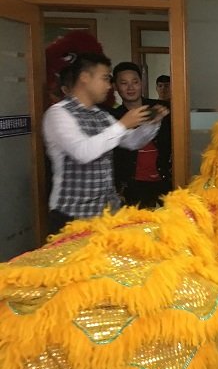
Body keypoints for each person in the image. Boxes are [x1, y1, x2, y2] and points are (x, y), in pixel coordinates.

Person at [43, 53, 168, 235]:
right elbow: (82, 152)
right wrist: (123, 124)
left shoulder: (100, 115)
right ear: (85, 78)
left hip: (107, 212)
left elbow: (132, 142)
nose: (109, 86)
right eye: (104, 78)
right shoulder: (58, 114)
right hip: (72, 215)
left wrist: (152, 123)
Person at [110, 62, 172, 208]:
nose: (130, 87)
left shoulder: (161, 108)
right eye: (124, 83)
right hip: (132, 186)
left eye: (135, 82)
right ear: (115, 86)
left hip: (165, 180)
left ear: (142, 83)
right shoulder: (113, 117)